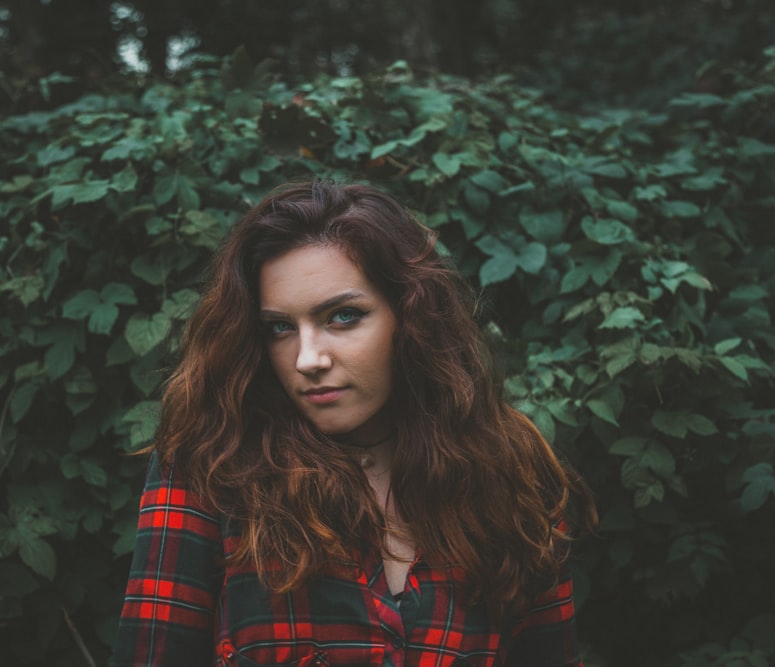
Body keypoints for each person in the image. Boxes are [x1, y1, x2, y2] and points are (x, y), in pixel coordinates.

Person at [112, 181, 595, 667]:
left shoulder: (509, 472)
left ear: (410, 315)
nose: (307, 359)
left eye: (343, 316)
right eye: (279, 327)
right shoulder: (212, 465)